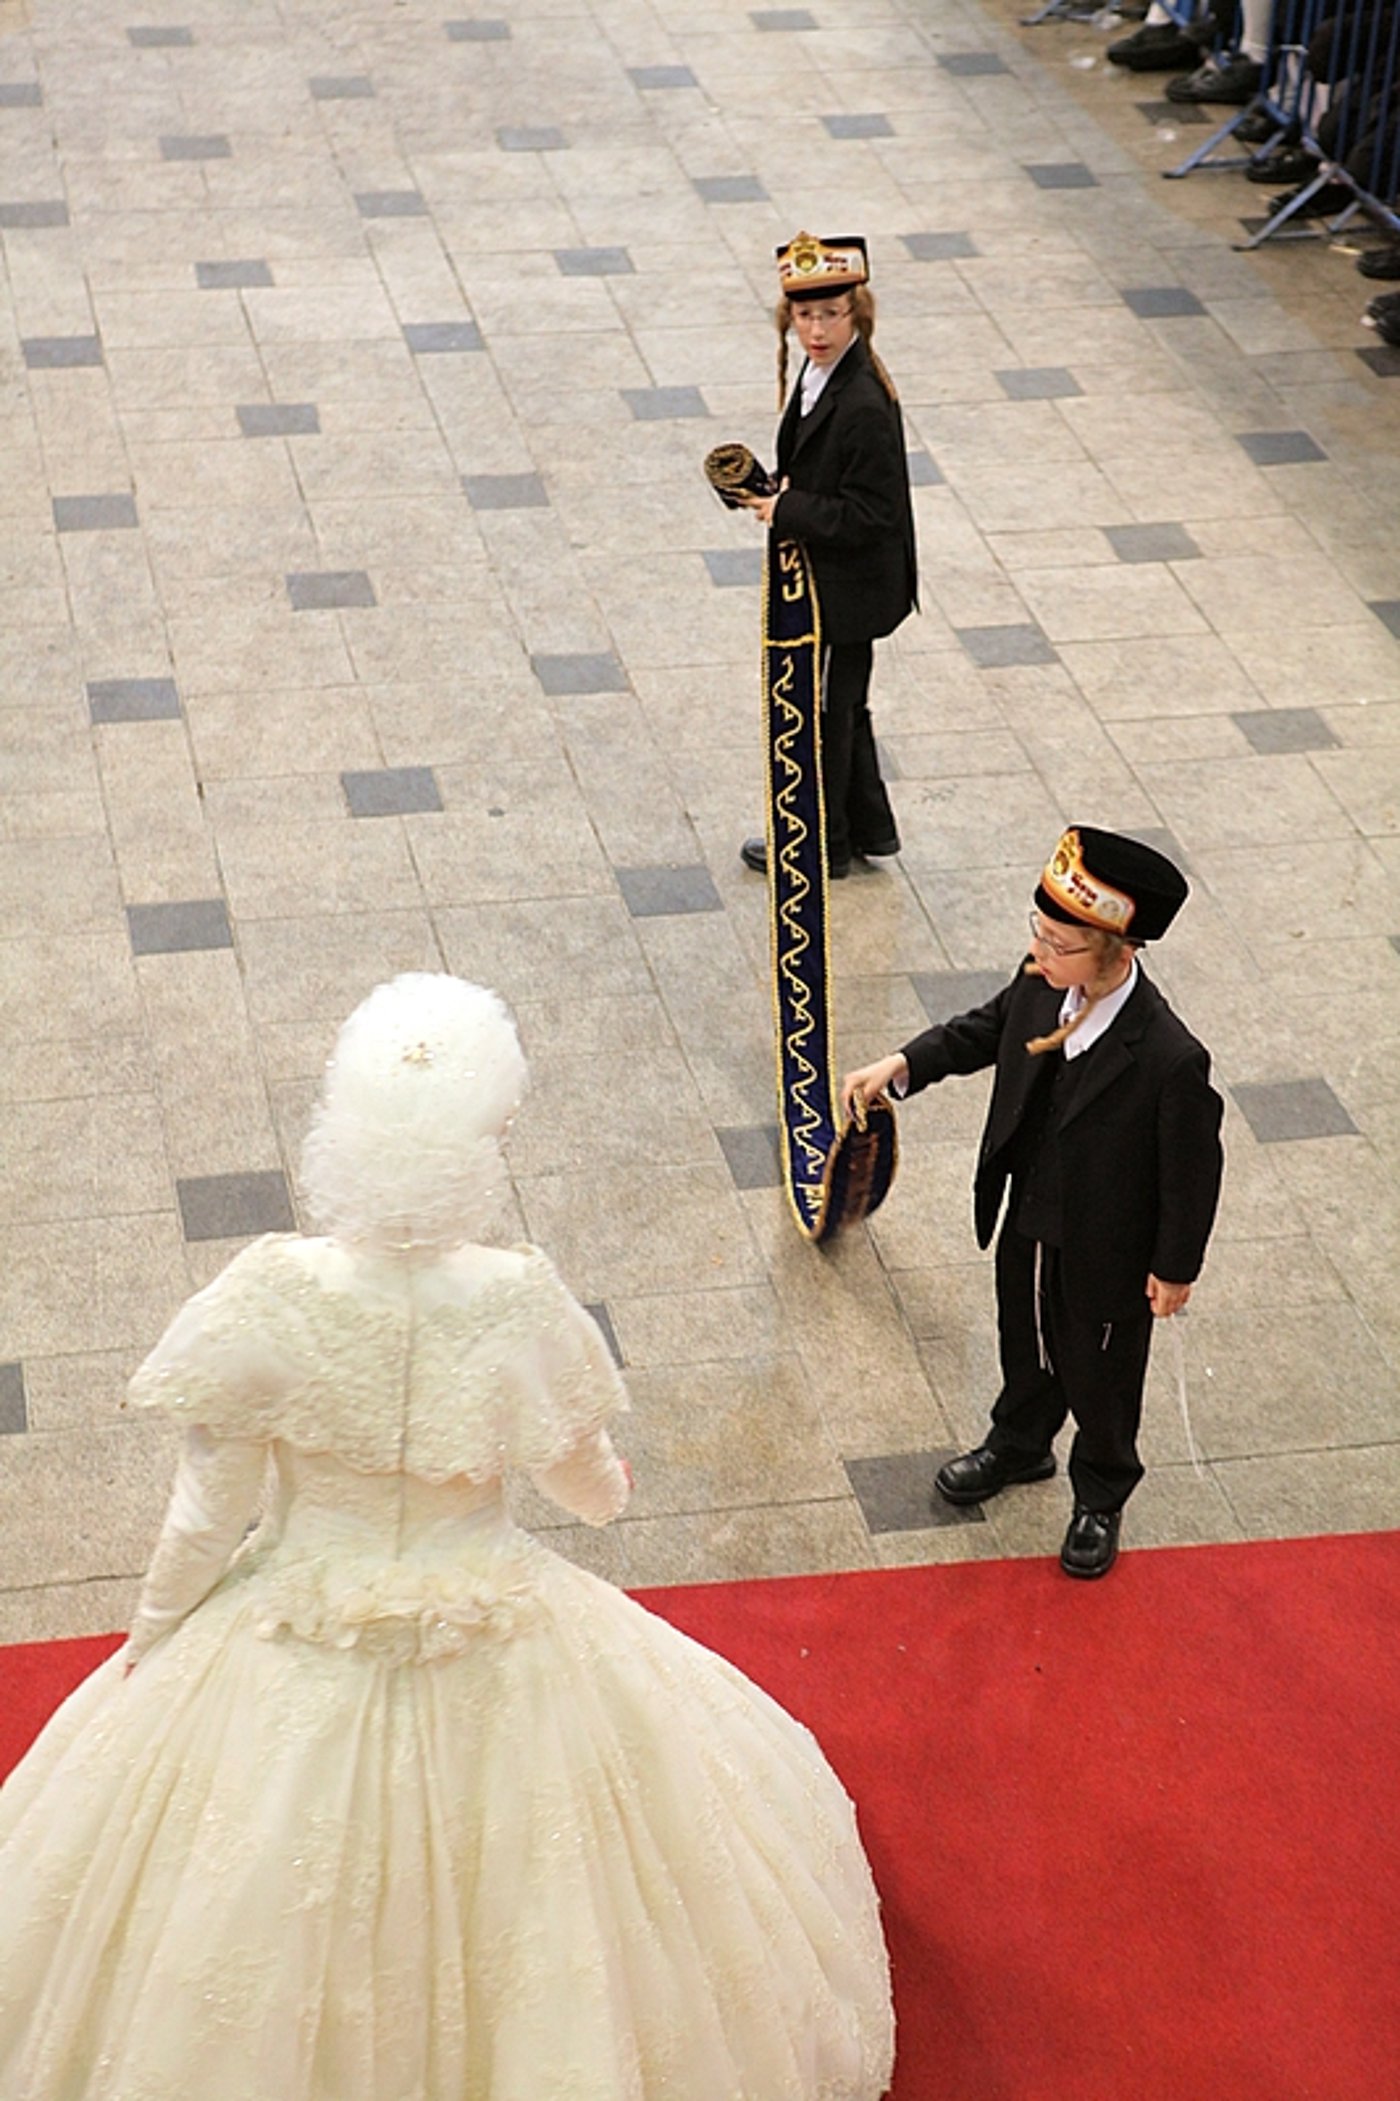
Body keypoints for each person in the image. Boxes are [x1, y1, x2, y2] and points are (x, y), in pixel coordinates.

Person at [0, 974, 895, 2101]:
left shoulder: (272, 1289)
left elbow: (205, 1510)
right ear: (481, 1140)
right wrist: (602, 1478)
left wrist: (153, 1638)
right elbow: (587, 1489)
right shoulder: (515, 1297)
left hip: (295, 1615)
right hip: (490, 1616)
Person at [841, 829, 1224, 1581]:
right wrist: (905, 1063)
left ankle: (1101, 1492)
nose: (1038, 951)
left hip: (1109, 1247)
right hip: (1029, 1215)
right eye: (1037, 931)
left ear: (1119, 952)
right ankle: (1019, 1443)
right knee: (1025, 1336)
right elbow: (984, 1030)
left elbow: (1192, 1172)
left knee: (1101, 1373)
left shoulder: (1169, 1058)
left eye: (1059, 943)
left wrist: (1176, 1266)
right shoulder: (1042, 984)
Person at [738, 231, 917, 882]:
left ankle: (820, 846)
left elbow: (873, 514)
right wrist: (779, 490)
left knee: (823, 714)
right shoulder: (825, 375)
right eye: (804, 314)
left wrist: (788, 509)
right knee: (840, 706)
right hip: (835, 582)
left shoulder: (862, 401)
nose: (816, 329)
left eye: (831, 314)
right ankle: (865, 828)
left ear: (856, 314)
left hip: (849, 591)